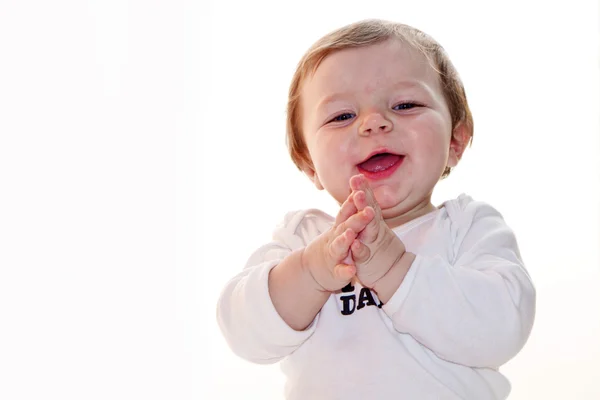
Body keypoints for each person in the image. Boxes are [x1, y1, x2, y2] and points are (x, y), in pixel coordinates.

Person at [216, 19, 536, 400]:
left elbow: (503, 329)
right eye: (342, 116)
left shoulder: (467, 227)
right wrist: (312, 271)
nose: (374, 123)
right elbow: (243, 332)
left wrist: (393, 268)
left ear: (456, 138)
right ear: (307, 162)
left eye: (405, 104)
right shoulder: (301, 238)